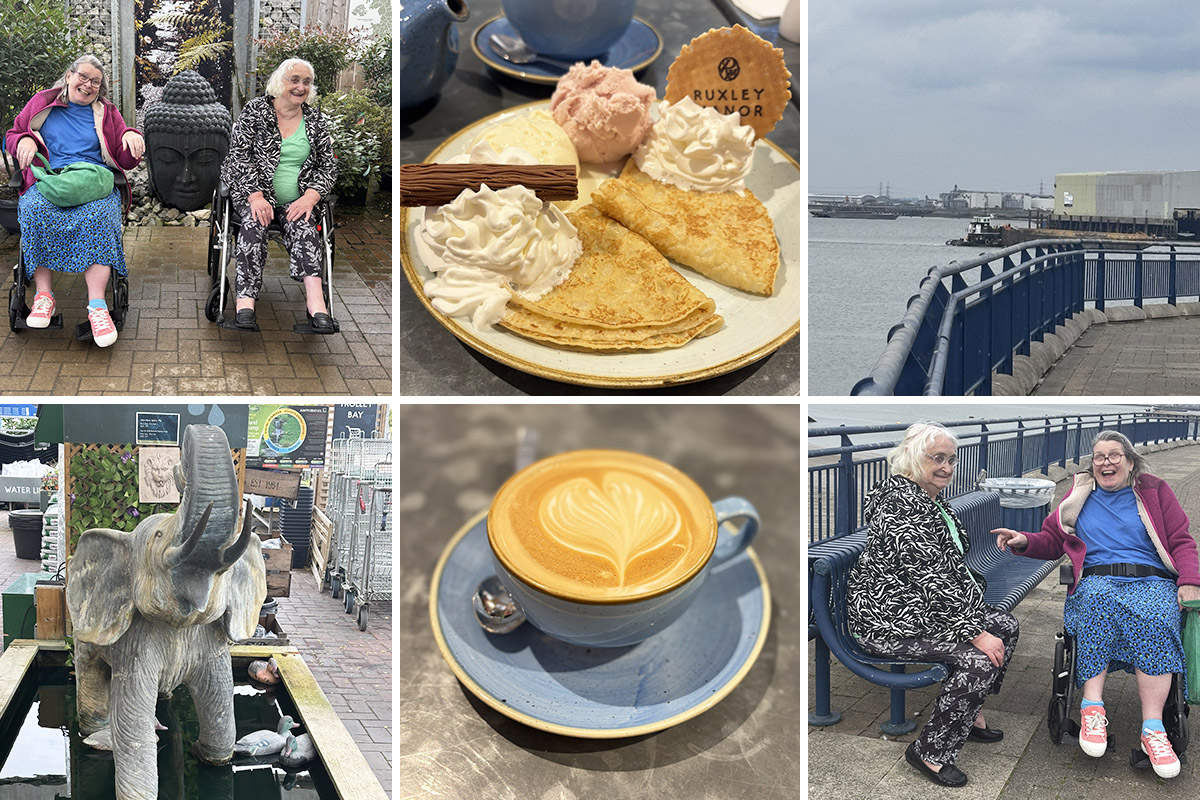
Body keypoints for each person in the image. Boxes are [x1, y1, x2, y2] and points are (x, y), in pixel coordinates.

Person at [994, 430, 1200, 779]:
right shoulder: (1079, 495)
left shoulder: (1154, 490)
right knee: (1094, 602)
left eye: (1114, 455)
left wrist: (1191, 580)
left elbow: (1181, 540)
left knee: (1155, 618)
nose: (1105, 462)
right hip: (1097, 579)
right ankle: (1092, 708)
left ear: (1130, 462)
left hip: (1151, 580)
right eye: (1099, 456)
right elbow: (1052, 540)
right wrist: (1022, 540)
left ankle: (1153, 729)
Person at [846, 421, 1019, 788]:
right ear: (911, 457)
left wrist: (978, 622)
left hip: (917, 612)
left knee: (1005, 625)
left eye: (951, 460)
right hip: (886, 622)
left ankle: (969, 714)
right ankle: (929, 752)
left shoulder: (930, 501)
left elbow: (945, 572)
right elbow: (930, 576)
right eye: (937, 458)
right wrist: (974, 631)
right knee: (977, 658)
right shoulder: (900, 505)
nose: (946, 467)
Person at [5, 54, 144, 347]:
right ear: (69, 76)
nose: (88, 84)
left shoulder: (106, 111)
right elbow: (13, 134)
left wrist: (131, 138)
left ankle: (97, 307)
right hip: (50, 178)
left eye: (95, 81)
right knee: (33, 209)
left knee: (101, 216)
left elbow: (123, 158)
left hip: (91, 182)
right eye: (83, 76)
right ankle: (44, 296)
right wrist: (24, 140)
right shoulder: (43, 102)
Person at [219, 57, 337, 333]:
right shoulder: (255, 111)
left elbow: (328, 165)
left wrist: (311, 196)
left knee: (306, 227)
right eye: (294, 80)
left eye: (306, 82)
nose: (300, 87)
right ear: (278, 82)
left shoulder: (315, 121)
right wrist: (255, 195)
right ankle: (245, 305)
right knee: (252, 225)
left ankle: (317, 306)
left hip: (297, 199)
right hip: (254, 194)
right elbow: (239, 156)